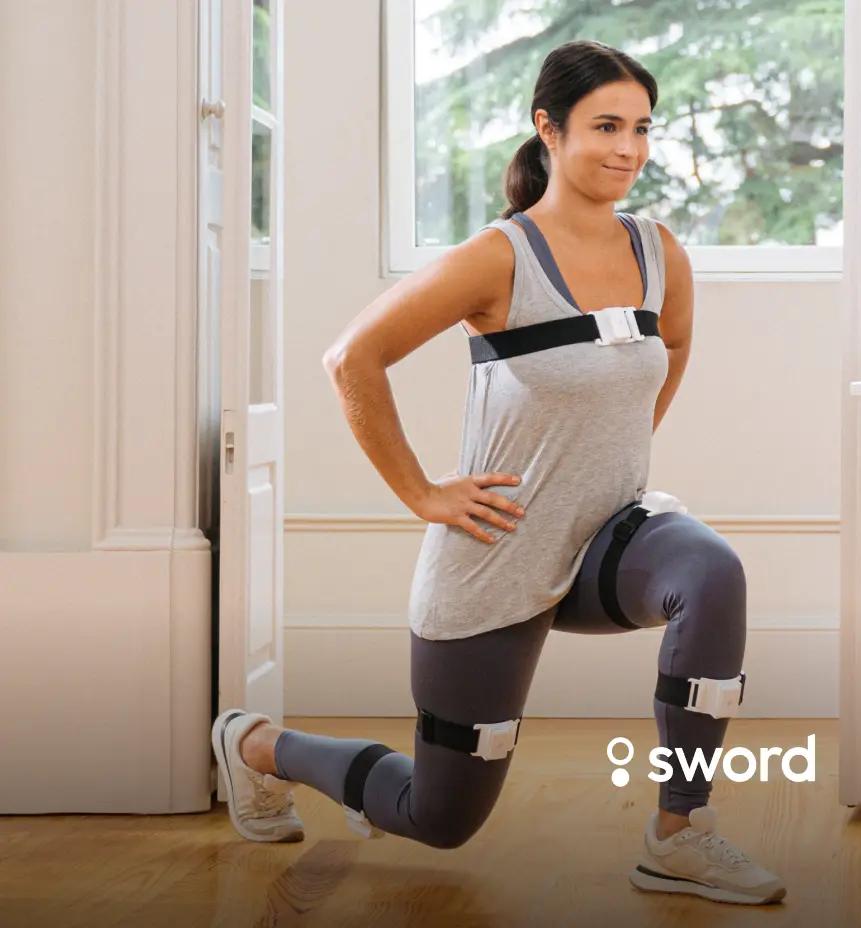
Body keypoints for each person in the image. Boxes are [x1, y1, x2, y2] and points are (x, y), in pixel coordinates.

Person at [208, 38, 785, 907]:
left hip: (609, 543)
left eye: (640, 128)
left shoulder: (659, 250)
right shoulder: (500, 256)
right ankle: (259, 746)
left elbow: (670, 344)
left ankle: (680, 834)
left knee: (713, 573)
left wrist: (615, 449)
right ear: (547, 128)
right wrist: (422, 493)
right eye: (605, 127)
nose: (628, 148)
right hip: (496, 554)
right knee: (439, 815)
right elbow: (351, 358)